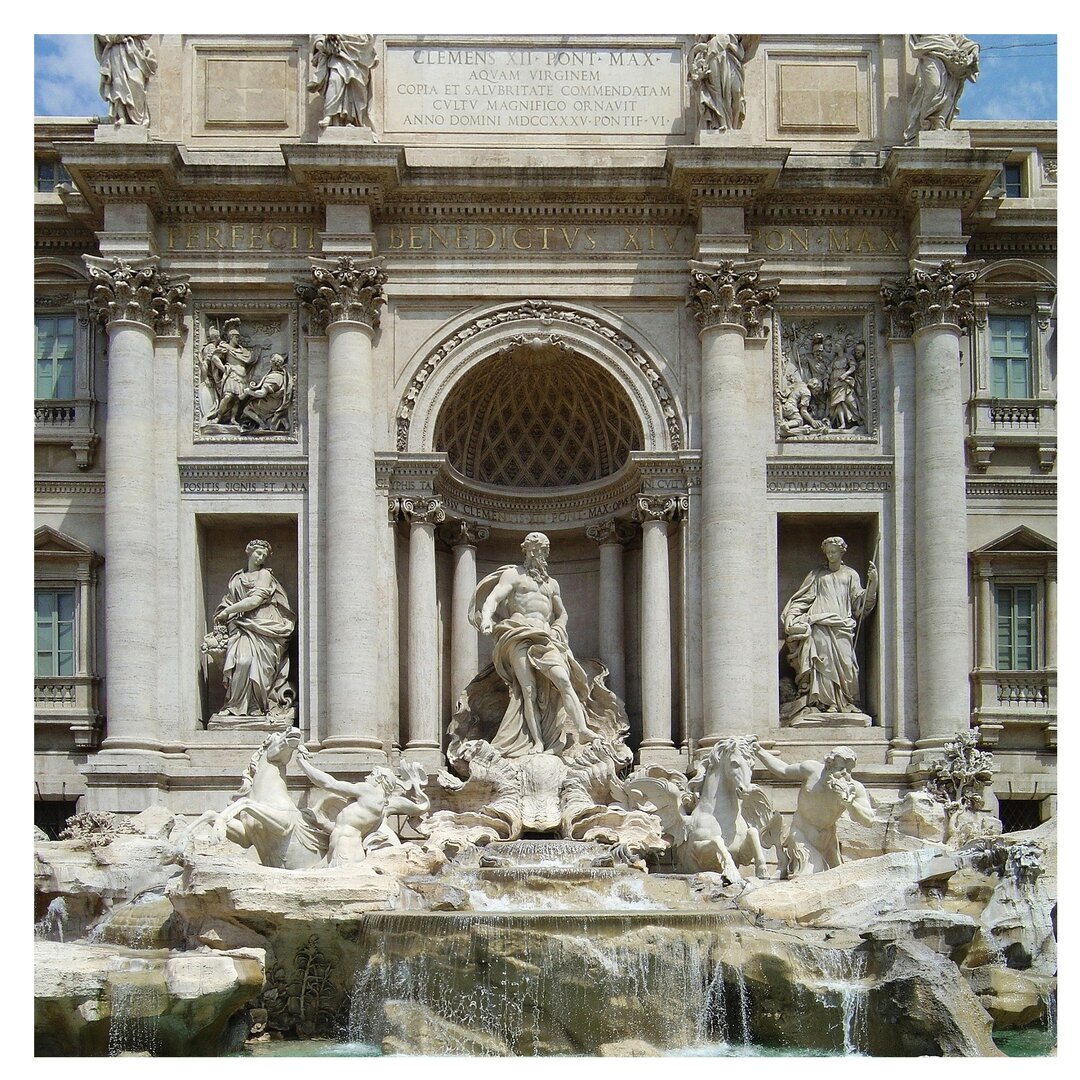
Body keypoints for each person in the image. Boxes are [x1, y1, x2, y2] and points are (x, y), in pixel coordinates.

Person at [470, 532, 597, 757]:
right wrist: (487, 618)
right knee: (528, 690)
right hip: (518, 634)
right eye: (532, 550)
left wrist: (558, 629)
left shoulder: (552, 585)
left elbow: (562, 613)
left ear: (547, 553)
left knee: (563, 681)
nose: (537, 554)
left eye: (541, 550)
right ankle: (537, 742)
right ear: (525, 551)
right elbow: (494, 598)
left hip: (547, 638)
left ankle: (583, 729)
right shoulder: (513, 575)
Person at [781, 536, 877, 716]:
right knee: (822, 663)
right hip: (820, 623)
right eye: (828, 552)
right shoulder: (817, 575)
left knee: (847, 665)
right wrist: (792, 616)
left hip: (842, 625)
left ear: (842, 552)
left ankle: (846, 701)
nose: (831, 555)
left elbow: (861, 605)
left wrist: (873, 583)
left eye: (834, 552)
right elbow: (803, 598)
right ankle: (826, 703)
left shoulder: (850, 574)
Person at [751, 741, 876, 875]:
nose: (845, 774)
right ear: (829, 765)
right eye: (840, 769)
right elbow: (783, 770)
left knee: (835, 878)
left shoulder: (854, 788)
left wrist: (850, 804)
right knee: (810, 873)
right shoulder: (811, 771)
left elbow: (868, 820)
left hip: (827, 839)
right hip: (802, 833)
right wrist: (759, 751)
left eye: (849, 770)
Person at [294, 751, 429, 867]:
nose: (366, 777)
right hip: (343, 853)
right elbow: (347, 828)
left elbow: (329, 783)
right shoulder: (380, 808)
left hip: (345, 854)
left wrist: (302, 763)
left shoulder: (369, 791)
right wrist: (321, 823)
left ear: (380, 779)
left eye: (371, 775)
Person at [212, 539, 296, 719]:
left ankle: (257, 707)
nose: (261, 557)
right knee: (242, 662)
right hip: (242, 627)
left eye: (264, 555)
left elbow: (255, 600)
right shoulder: (237, 578)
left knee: (259, 669)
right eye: (258, 553)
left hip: (265, 626)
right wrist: (224, 612)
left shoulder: (264, 574)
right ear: (249, 552)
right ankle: (235, 706)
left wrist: (228, 611)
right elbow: (230, 599)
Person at [903, 35, 980, 143]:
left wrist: (973, 49)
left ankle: (938, 122)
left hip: (950, 56)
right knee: (934, 85)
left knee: (948, 93)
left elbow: (962, 40)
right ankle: (926, 123)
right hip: (929, 51)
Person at [308, 35, 378, 129]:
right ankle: (329, 116)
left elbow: (369, 37)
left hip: (359, 55)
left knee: (356, 88)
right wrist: (323, 45)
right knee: (334, 80)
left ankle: (353, 120)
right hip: (337, 52)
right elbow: (317, 36)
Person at [689, 35, 750, 131]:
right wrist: (694, 69)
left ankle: (734, 126)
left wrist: (730, 45)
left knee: (737, 92)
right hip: (713, 57)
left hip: (731, 60)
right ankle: (723, 123)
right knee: (716, 92)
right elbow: (697, 46)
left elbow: (741, 53)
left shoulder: (733, 36)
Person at [94, 36, 157, 126]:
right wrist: (115, 36)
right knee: (118, 85)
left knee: (136, 83)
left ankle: (139, 118)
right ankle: (121, 116)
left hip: (135, 51)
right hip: (117, 51)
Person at [204, 319, 255, 426]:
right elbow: (215, 358)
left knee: (237, 400)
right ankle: (218, 417)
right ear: (231, 337)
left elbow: (250, 358)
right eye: (237, 337)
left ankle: (233, 419)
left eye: (239, 337)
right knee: (228, 396)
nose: (239, 339)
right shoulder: (225, 347)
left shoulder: (243, 351)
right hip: (231, 374)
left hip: (242, 375)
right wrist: (224, 369)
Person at [240, 353, 293, 432]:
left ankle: (262, 424)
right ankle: (277, 420)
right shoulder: (282, 375)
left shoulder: (272, 377)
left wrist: (248, 391)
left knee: (247, 409)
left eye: (271, 360)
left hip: (270, 403)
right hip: (278, 402)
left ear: (273, 363)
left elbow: (262, 394)